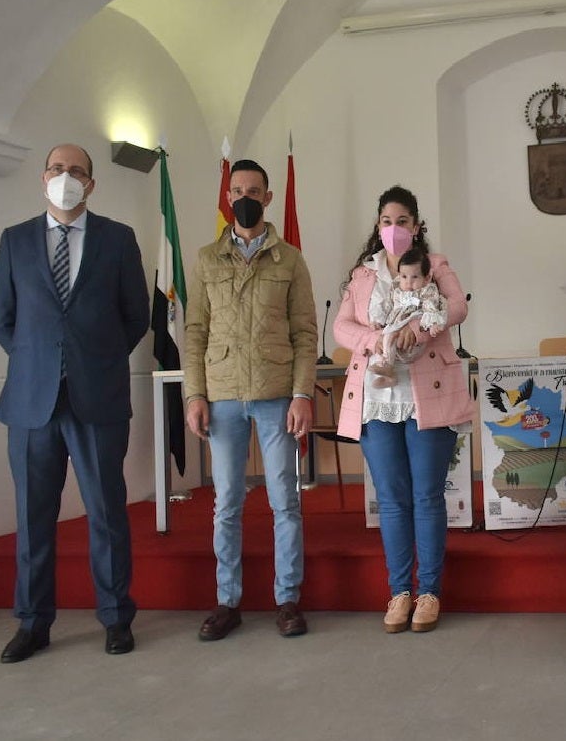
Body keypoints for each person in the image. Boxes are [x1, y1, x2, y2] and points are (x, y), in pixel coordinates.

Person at [0, 144, 149, 662]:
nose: (65, 177)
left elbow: (135, 316)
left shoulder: (118, 240)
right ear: (43, 178)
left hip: (97, 398)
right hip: (31, 403)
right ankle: (33, 623)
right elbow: (2, 318)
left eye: (76, 171)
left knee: (106, 513)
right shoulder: (14, 241)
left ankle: (115, 618)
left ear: (91, 184)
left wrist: (92, 359)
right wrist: (43, 361)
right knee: (34, 517)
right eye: (57, 169)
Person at [184, 158, 318, 641]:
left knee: (285, 500)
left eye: (254, 190)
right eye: (236, 189)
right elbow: (194, 331)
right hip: (221, 397)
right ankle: (227, 600)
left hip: (276, 395)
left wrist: (302, 393)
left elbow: (306, 333)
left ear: (267, 197)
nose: (244, 196)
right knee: (227, 504)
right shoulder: (205, 259)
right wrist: (194, 394)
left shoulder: (291, 259)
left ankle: (287, 598)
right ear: (227, 198)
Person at [334, 185, 474, 634]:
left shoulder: (434, 267)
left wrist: (416, 326)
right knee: (391, 500)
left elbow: (456, 307)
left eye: (402, 222)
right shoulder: (363, 275)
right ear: (378, 227)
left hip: (425, 393)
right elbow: (341, 326)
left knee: (426, 496)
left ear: (416, 226)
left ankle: (429, 591)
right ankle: (399, 593)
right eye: (386, 222)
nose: (394, 230)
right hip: (377, 398)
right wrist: (375, 340)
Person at [367, 246, 448, 387]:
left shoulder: (427, 291)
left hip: (414, 339)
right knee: (387, 336)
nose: (408, 282)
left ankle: (387, 365)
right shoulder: (397, 291)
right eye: (404, 277)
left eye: (415, 277)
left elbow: (432, 307)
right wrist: (377, 320)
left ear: (427, 278)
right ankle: (388, 372)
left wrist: (433, 324)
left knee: (390, 335)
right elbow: (387, 306)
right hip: (398, 334)